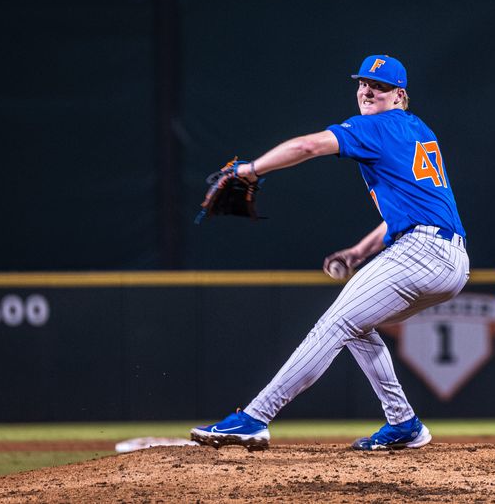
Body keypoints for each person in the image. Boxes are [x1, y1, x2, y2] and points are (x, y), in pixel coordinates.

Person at [191, 54, 469, 451]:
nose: (367, 90)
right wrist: (360, 251)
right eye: (361, 83)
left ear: (400, 95)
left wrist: (250, 170)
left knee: (335, 323)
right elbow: (409, 214)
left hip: (422, 251)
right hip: (450, 261)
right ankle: (404, 423)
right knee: (358, 326)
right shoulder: (416, 130)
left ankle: (254, 417)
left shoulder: (376, 126)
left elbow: (307, 146)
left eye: (380, 86)